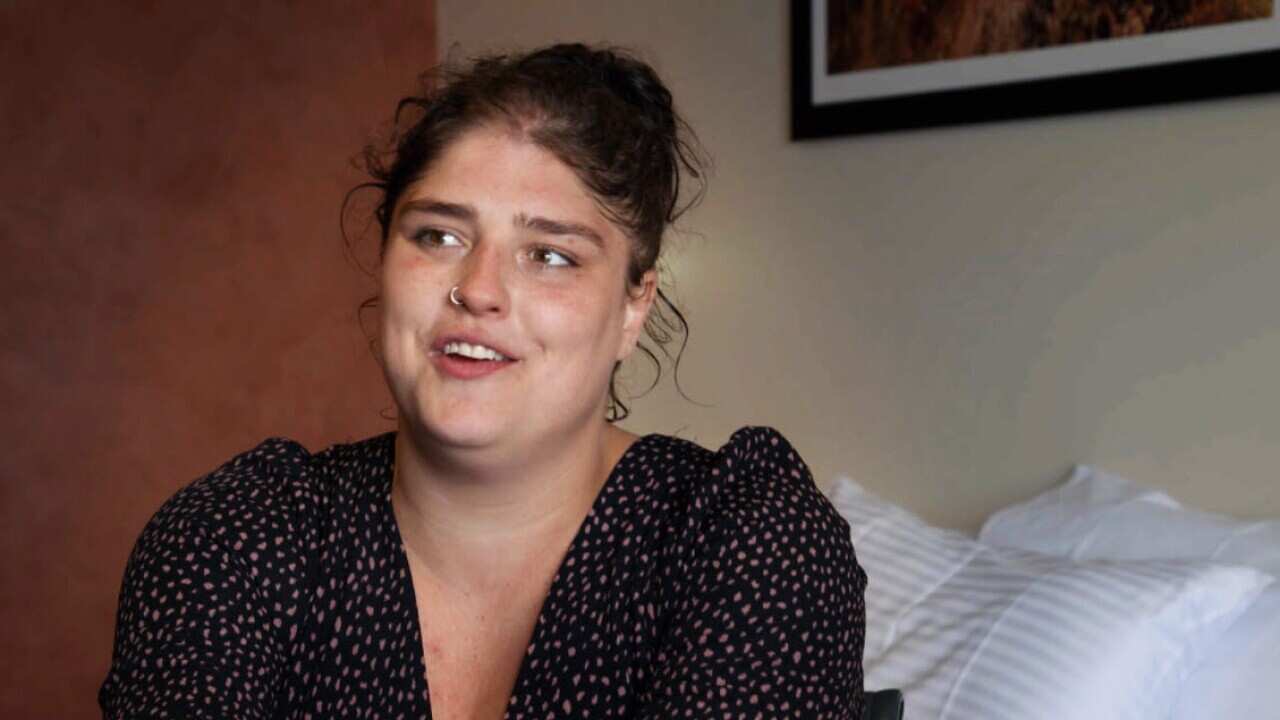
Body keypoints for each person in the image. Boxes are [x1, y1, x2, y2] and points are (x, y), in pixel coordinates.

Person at [99, 43, 867, 719]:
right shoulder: (236, 535)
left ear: (635, 307)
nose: (478, 288)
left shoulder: (748, 540)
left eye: (551, 255)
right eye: (438, 236)